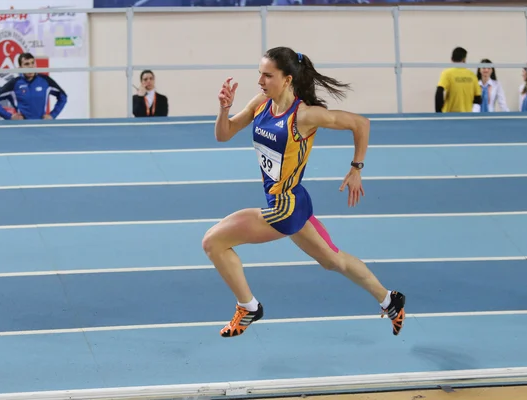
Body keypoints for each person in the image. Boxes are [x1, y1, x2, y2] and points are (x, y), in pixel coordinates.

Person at [201, 46, 406, 339]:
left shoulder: (305, 116)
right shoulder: (261, 103)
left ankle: (248, 307)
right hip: (293, 201)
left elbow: (361, 123)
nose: (260, 81)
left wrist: (356, 167)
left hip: (286, 208)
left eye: (268, 76)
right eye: (259, 74)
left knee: (213, 242)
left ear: (287, 79)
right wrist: (224, 109)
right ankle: (390, 299)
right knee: (333, 261)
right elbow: (223, 134)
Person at [0, 53, 67, 120]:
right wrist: (9, 116)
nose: (31, 66)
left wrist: (52, 115)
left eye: (32, 63)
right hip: (22, 128)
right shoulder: (14, 83)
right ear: (20, 68)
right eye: (27, 64)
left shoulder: (45, 81)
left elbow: (63, 96)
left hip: (42, 126)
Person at [435, 46, 482, 113]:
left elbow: (439, 92)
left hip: (449, 115)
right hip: (467, 116)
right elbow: (478, 98)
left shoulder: (447, 73)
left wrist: (438, 113)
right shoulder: (472, 75)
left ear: (451, 59)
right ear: (464, 59)